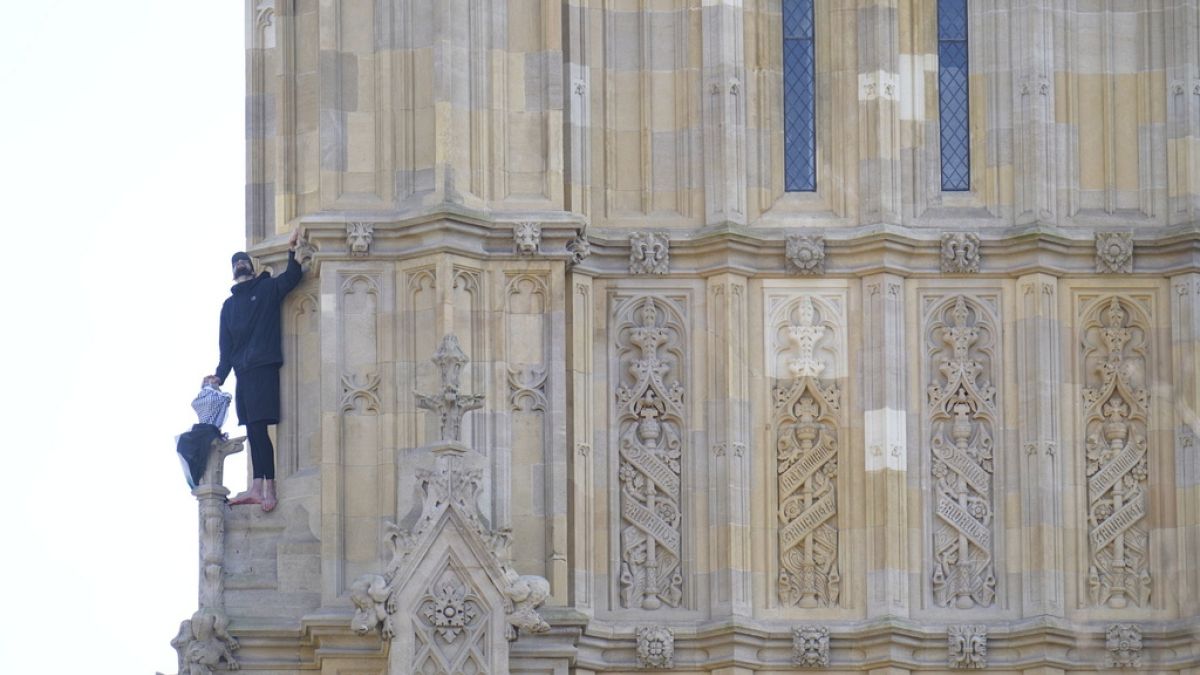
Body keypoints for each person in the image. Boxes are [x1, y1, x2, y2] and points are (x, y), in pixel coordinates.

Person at [204, 226, 304, 512]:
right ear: (232, 271)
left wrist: (292, 250)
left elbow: (292, 277)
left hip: (263, 367)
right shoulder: (229, 306)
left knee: (260, 428)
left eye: (243, 260)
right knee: (252, 429)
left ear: (251, 265)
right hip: (243, 373)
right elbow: (226, 352)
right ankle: (256, 486)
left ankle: (267, 487)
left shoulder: (266, 288)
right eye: (235, 262)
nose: (240, 264)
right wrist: (218, 377)